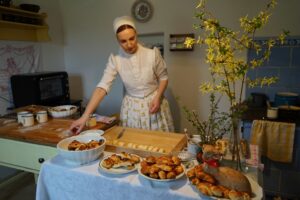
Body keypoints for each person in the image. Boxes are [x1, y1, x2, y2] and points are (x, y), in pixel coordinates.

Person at [70, 16, 174, 134]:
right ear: (117, 40)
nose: (129, 45)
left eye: (132, 38)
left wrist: (158, 97)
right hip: (131, 109)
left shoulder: (152, 54)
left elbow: (163, 78)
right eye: (123, 41)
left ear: (136, 34)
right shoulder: (115, 59)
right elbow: (102, 88)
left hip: (154, 103)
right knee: (132, 144)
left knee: (159, 145)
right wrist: (84, 116)